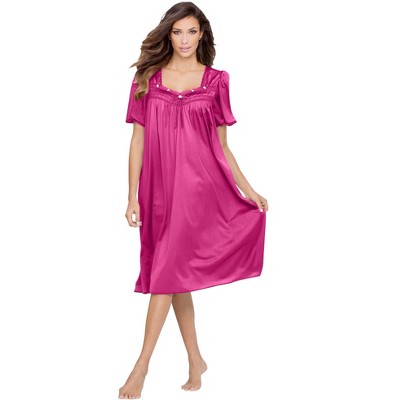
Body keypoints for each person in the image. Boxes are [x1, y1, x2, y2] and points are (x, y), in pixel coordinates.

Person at [119, 2, 269, 398]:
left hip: (200, 192)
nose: (184, 39)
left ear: (202, 34)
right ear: (168, 34)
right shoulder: (147, 79)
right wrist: (131, 195)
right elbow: (138, 141)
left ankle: (141, 367)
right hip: (158, 193)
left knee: (166, 273)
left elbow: (223, 148)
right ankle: (196, 359)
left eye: (191, 31)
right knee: (174, 276)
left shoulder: (217, 81)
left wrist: (249, 191)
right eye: (177, 32)